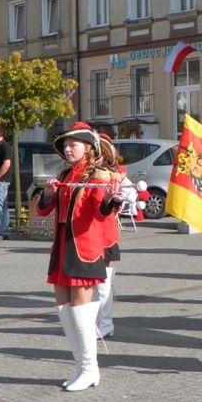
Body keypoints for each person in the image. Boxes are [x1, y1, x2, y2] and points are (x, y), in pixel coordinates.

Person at [36, 122, 122, 392]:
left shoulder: (98, 175)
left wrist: (113, 200)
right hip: (62, 245)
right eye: (65, 145)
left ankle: (90, 368)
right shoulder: (65, 173)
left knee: (80, 308)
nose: (67, 148)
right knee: (63, 307)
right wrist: (48, 194)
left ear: (88, 148)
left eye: (73, 144)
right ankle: (80, 365)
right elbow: (43, 211)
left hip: (84, 246)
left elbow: (101, 209)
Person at [94, 133, 134, 339]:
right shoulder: (83, 173)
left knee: (103, 282)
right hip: (84, 235)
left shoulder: (114, 174)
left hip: (105, 234)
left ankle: (105, 323)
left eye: (97, 152)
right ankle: (93, 320)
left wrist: (119, 196)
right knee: (89, 283)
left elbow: (131, 195)